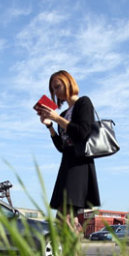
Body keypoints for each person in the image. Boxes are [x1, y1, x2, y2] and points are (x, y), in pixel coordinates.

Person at [35, 70, 101, 232]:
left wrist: (57, 119)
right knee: (63, 219)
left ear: (68, 82)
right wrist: (50, 126)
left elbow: (82, 132)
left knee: (64, 217)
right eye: (53, 90)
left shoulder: (84, 103)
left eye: (57, 86)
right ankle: (74, 254)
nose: (56, 92)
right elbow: (62, 147)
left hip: (79, 166)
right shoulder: (64, 113)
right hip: (67, 165)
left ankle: (73, 255)